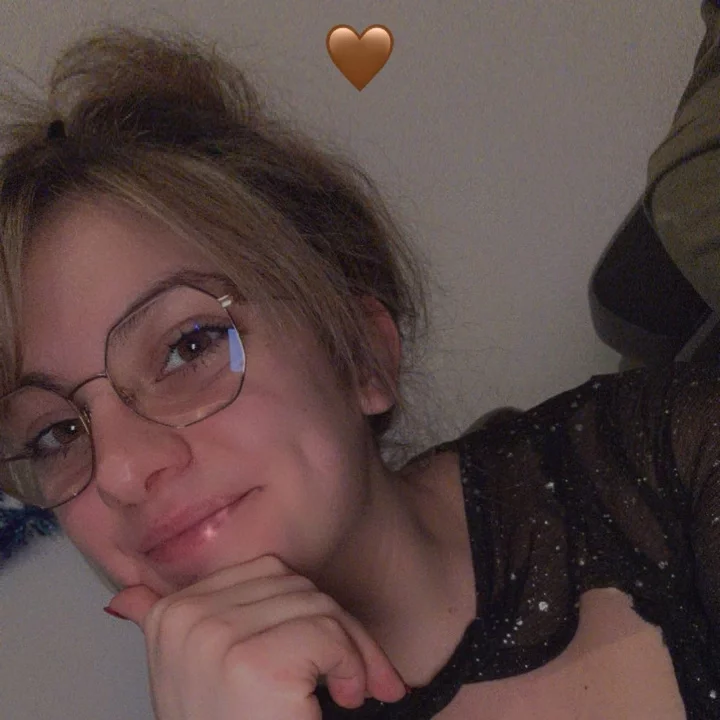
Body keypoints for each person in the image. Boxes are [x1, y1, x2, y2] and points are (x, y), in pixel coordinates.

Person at [0, 28, 718, 720]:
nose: (121, 471)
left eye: (189, 347)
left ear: (363, 354)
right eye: (55, 433)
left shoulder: (670, 458)